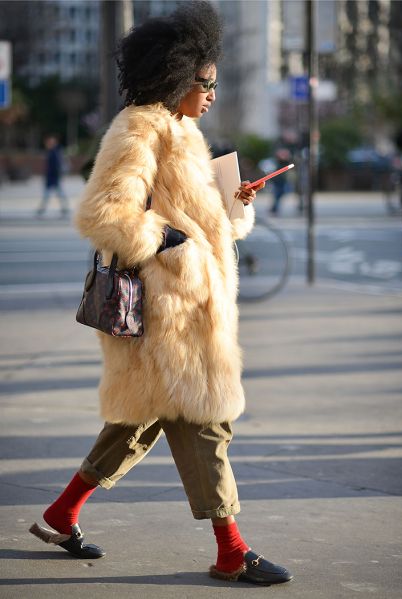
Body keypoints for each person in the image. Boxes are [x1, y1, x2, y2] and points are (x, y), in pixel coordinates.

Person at [29, 1, 292, 587]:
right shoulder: (141, 127)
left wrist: (232, 206)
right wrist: (174, 245)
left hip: (189, 305)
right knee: (207, 422)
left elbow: (198, 218)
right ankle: (231, 551)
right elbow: (106, 212)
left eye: (215, 83)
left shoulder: (184, 132)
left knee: (140, 420)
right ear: (176, 77)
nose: (212, 93)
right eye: (206, 82)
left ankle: (60, 513)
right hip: (168, 311)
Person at [36, 135, 69, 217]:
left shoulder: (53, 153)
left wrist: (57, 176)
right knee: (58, 194)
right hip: (53, 178)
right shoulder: (53, 152)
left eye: (50, 142)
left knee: (49, 194)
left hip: (52, 178)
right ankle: (64, 208)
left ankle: (43, 208)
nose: (47, 144)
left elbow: (55, 167)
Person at [270, 148, 292, 215]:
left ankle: (274, 208)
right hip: (277, 181)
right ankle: (274, 208)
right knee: (277, 195)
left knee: (280, 194)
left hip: (283, 181)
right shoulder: (277, 161)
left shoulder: (287, 161)